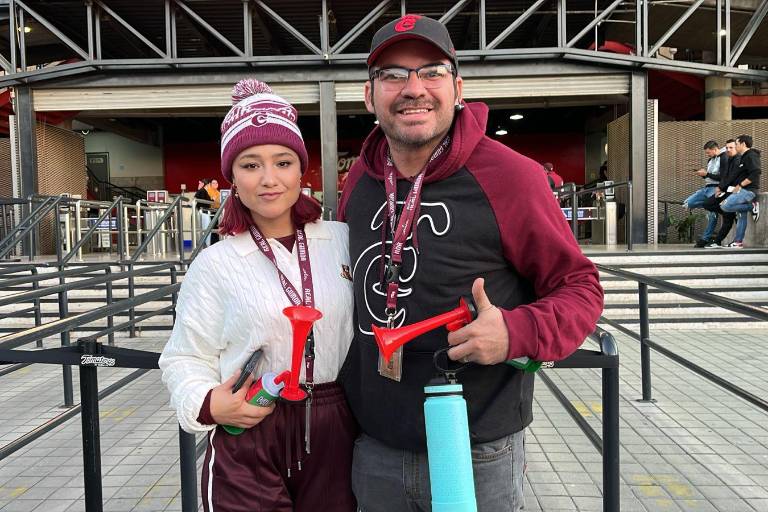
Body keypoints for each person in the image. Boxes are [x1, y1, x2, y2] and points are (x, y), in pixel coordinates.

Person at [337, 15, 603, 512]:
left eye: (432, 71)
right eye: (393, 74)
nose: (413, 88)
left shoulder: (513, 176)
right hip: (374, 448)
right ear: (369, 96)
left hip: (478, 450)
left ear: (457, 87)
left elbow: (581, 287)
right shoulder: (360, 181)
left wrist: (517, 332)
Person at [159, 79, 357, 512]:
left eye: (283, 162)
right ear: (231, 176)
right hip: (250, 423)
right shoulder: (216, 263)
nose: (269, 179)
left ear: (300, 169)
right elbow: (183, 357)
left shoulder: (341, 241)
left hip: (334, 425)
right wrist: (211, 404)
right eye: (250, 165)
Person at [718, 134, 761, 248]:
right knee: (741, 216)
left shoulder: (751, 155)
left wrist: (740, 185)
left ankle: (752, 207)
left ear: (743, 144)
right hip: (742, 190)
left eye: (736, 144)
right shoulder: (743, 156)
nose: (735, 146)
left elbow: (756, 172)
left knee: (724, 206)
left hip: (748, 191)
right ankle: (738, 242)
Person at [685, 140, 727, 248]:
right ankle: (712, 206)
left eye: (708, 152)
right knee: (688, 203)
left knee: (712, 215)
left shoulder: (723, 158)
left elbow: (722, 177)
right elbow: (709, 176)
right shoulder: (710, 160)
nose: (707, 155)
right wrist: (703, 174)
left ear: (715, 149)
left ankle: (705, 238)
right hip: (706, 188)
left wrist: (707, 174)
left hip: (716, 188)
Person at [703, 139, 739, 248]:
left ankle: (717, 241)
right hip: (725, 189)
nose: (728, 149)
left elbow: (731, 177)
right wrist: (720, 187)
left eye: (731, 147)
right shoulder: (729, 159)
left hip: (733, 191)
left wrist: (720, 187)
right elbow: (725, 176)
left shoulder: (738, 159)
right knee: (707, 204)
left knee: (728, 219)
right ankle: (727, 212)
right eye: (727, 147)